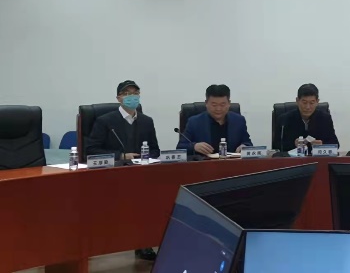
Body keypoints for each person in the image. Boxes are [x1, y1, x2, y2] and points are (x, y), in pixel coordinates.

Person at [84, 80, 160, 261]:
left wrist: (144, 157)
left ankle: (144, 243)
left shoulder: (147, 121)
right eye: (126, 93)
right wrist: (121, 156)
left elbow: (156, 150)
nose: (131, 97)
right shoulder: (105, 121)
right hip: (112, 175)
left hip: (140, 175)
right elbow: (91, 150)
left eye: (135, 93)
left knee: (153, 196)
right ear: (118, 98)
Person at [177, 84, 252, 156]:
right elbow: (180, 147)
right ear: (206, 103)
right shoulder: (194, 122)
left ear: (229, 103)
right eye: (214, 105)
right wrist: (194, 146)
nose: (218, 109)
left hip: (232, 163)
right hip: (205, 163)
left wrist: (244, 146)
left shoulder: (239, 120)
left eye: (222, 105)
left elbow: (248, 143)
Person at [279, 83, 339, 152]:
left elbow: (335, 144)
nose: (308, 107)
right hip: (293, 158)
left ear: (317, 102)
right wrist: (293, 144)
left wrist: (322, 145)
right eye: (304, 102)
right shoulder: (284, 120)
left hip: (317, 158)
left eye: (312, 103)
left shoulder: (325, 118)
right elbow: (277, 146)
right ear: (297, 101)